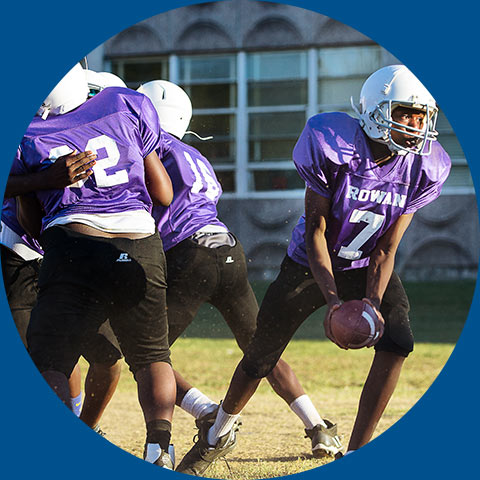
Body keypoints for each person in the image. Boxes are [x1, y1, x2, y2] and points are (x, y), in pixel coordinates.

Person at [175, 64, 451, 472]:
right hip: (310, 262)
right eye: (405, 113)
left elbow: (387, 248)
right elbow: (317, 231)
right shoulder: (333, 144)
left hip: (364, 263)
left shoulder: (425, 167)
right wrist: (335, 302)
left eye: (421, 115)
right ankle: (218, 434)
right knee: (259, 357)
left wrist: (372, 303)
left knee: (399, 341)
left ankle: (358, 450)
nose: (415, 124)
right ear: (376, 111)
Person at [136, 80, 343, 475]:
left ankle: (206, 412)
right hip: (228, 248)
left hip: (190, 255)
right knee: (260, 346)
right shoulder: (193, 154)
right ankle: (318, 426)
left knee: (144, 351)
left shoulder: (151, 149)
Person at [12, 63, 176, 468]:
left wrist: (43, 184)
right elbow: (162, 192)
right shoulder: (127, 103)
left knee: (49, 360)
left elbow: (32, 225)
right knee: (153, 356)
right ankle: (160, 449)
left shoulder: (29, 134)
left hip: (74, 245)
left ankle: (47, 450)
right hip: (140, 242)